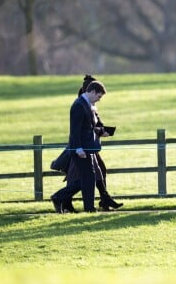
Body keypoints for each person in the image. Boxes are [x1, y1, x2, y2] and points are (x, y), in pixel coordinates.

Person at [51, 75, 123, 213]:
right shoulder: (79, 105)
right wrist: (78, 149)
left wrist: (101, 131)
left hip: (86, 148)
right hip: (80, 150)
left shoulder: (87, 105)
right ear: (93, 92)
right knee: (88, 178)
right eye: (99, 96)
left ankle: (86, 207)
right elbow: (75, 131)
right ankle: (60, 197)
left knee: (88, 178)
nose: (99, 99)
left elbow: (88, 127)